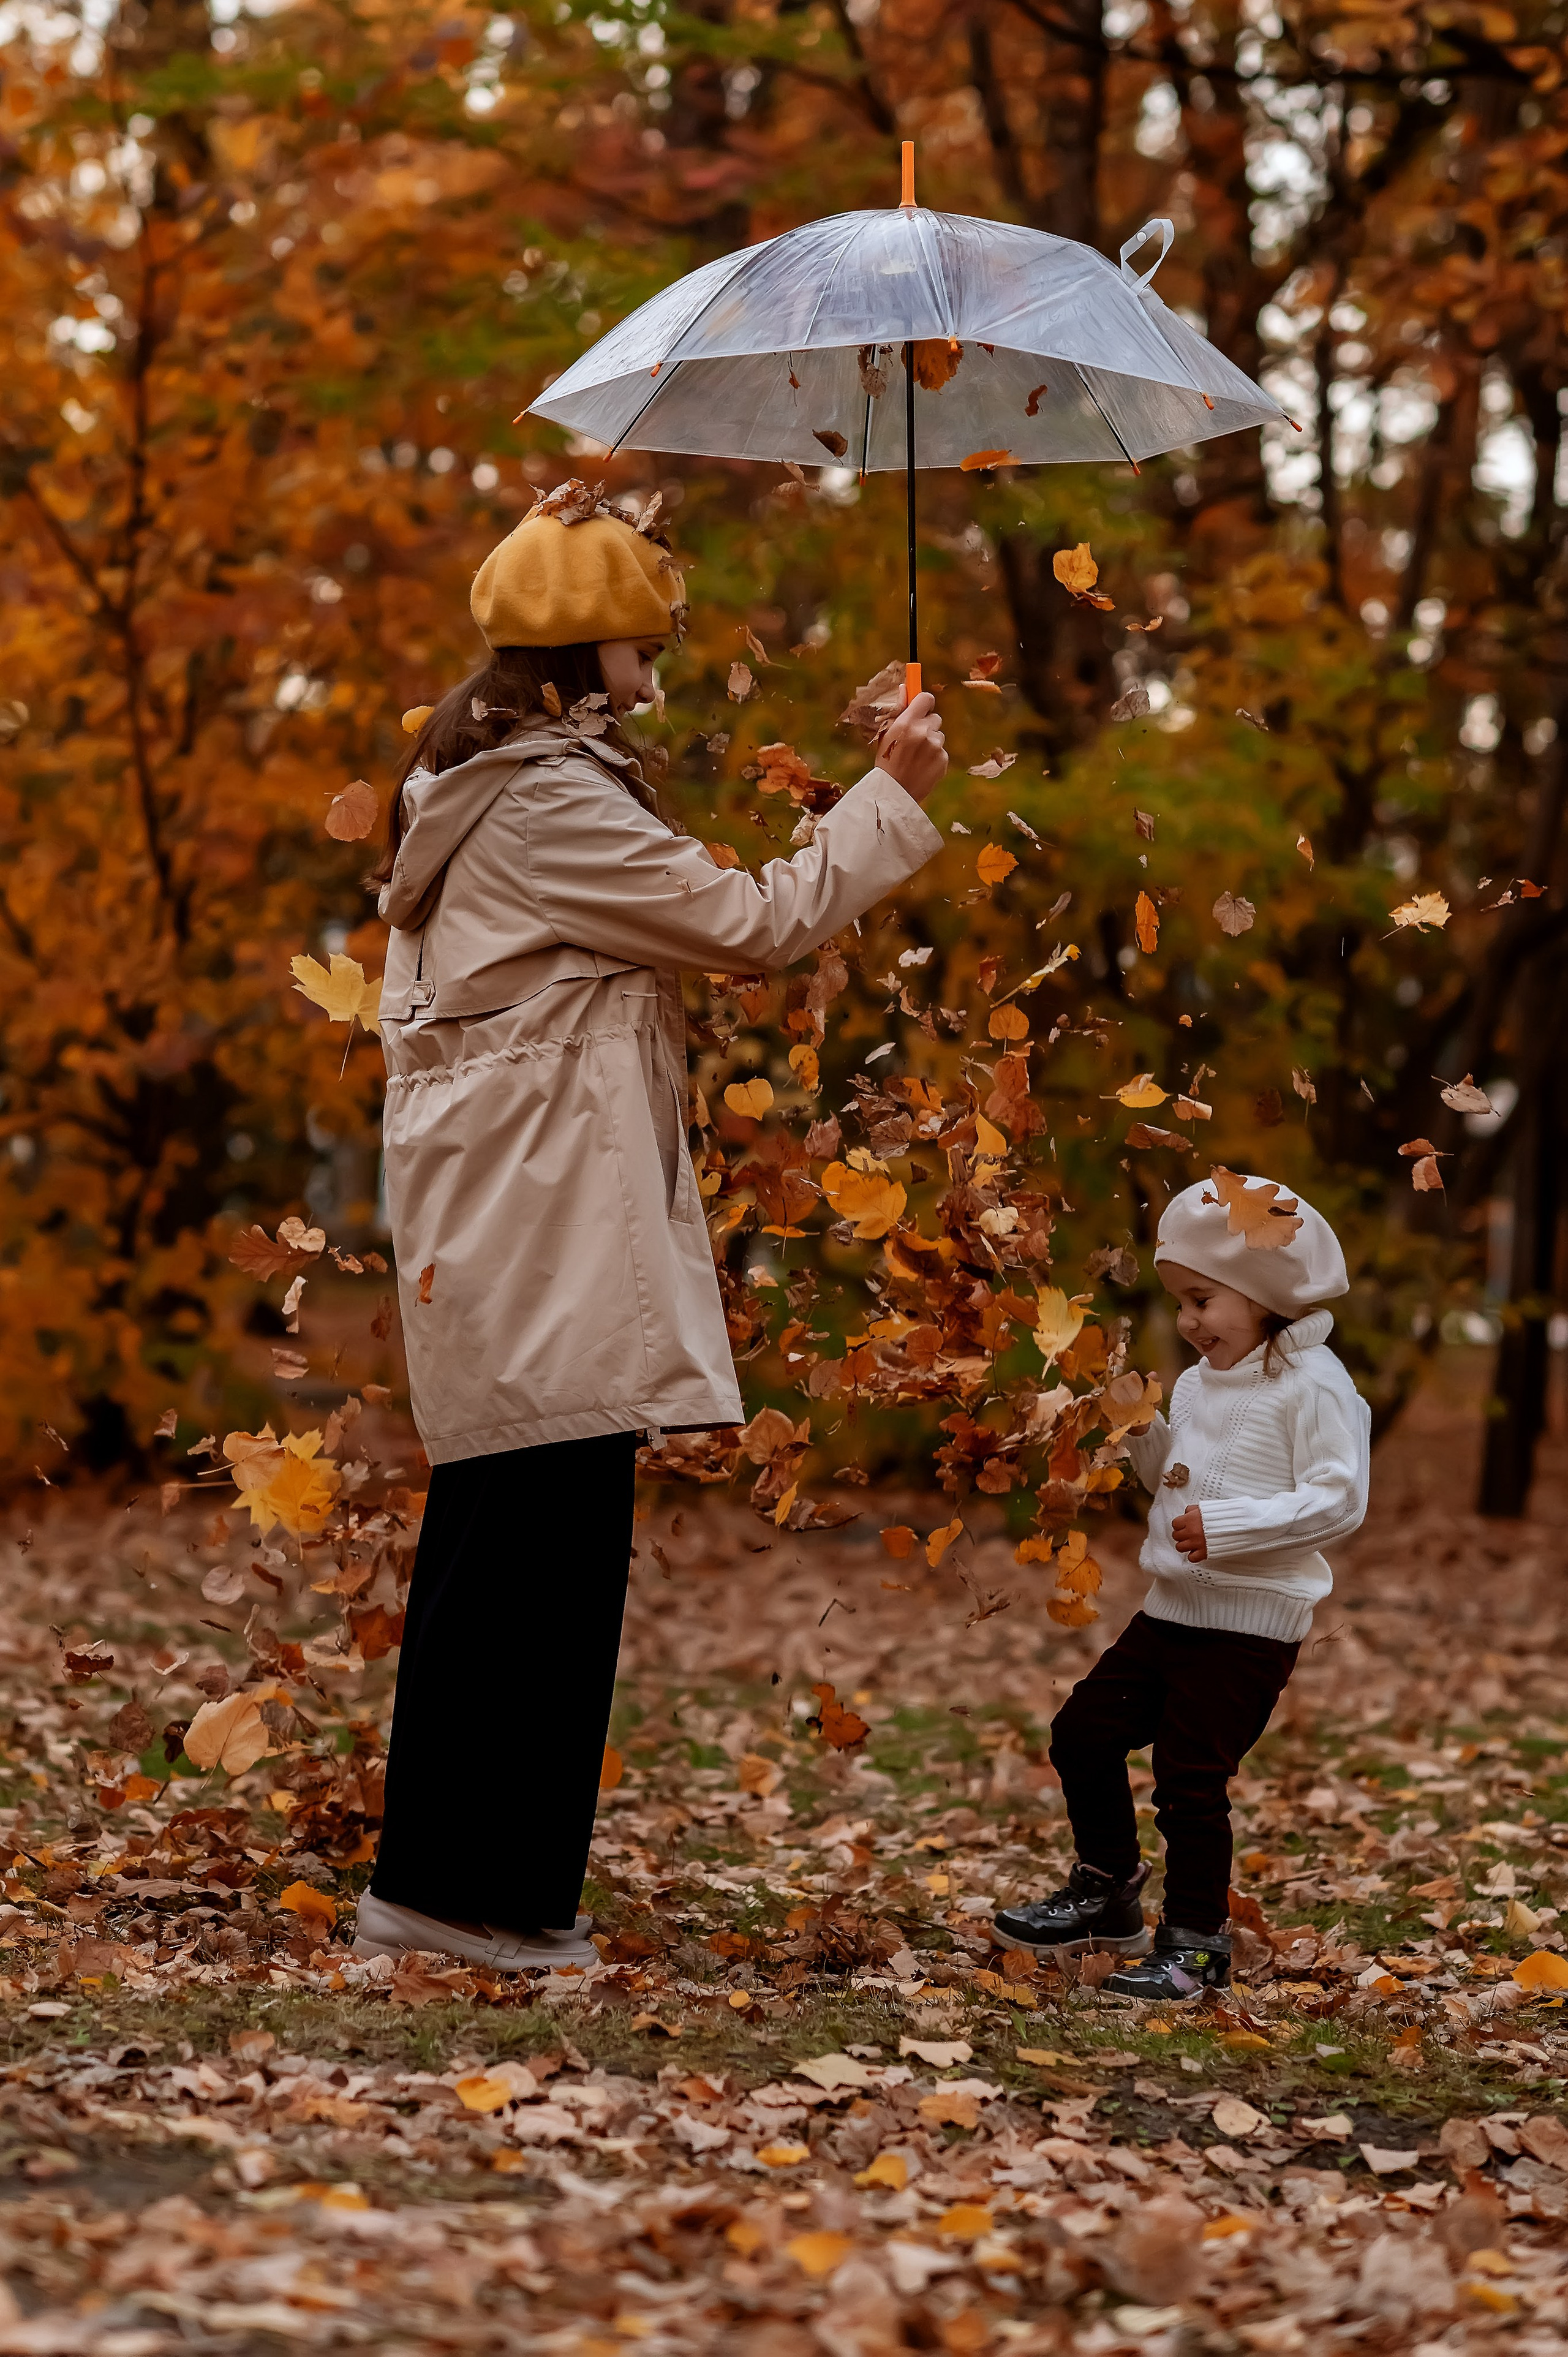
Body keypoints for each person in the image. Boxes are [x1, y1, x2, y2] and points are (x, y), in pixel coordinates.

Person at [352, 483, 946, 1971]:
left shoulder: (492, 779)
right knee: (535, 1557)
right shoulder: (544, 802)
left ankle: (463, 1889)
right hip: (542, 1211)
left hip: (516, 1205)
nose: (656, 679)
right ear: (578, 661)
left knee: (513, 1541)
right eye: (638, 653)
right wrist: (893, 795)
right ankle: (464, 1900)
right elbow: (747, 927)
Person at [992, 1170, 1371, 1997]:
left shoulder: (1315, 1388)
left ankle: (1196, 1941)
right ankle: (1109, 1892)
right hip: (1172, 1612)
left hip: (1249, 1627)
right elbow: (1182, 1484)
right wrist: (1138, 1431)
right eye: (1183, 1303)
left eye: (1205, 1300)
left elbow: (1340, 1499)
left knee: (1188, 1776)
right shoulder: (1203, 1384)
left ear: (1266, 1290)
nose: (1190, 1321)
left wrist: (1232, 1529)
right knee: (1082, 1734)